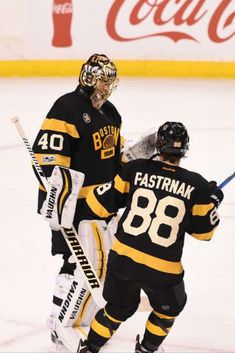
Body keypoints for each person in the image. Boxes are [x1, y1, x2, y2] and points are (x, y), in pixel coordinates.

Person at [32, 53, 157, 349]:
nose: (107, 85)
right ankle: (56, 319)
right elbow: (48, 156)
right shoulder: (66, 108)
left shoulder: (111, 113)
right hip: (69, 203)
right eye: (102, 79)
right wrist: (58, 193)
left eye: (110, 80)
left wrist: (134, 155)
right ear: (88, 78)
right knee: (72, 260)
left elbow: (114, 154)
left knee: (96, 260)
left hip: (101, 203)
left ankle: (82, 313)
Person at [78, 121, 224, 353]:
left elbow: (98, 206)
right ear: (184, 150)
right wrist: (212, 202)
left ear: (158, 145)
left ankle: (89, 348)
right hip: (162, 270)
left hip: (123, 260)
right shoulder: (198, 186)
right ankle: (146, 349)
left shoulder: (135, 169)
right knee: (167, 310)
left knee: (116, 308)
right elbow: (204, 233)